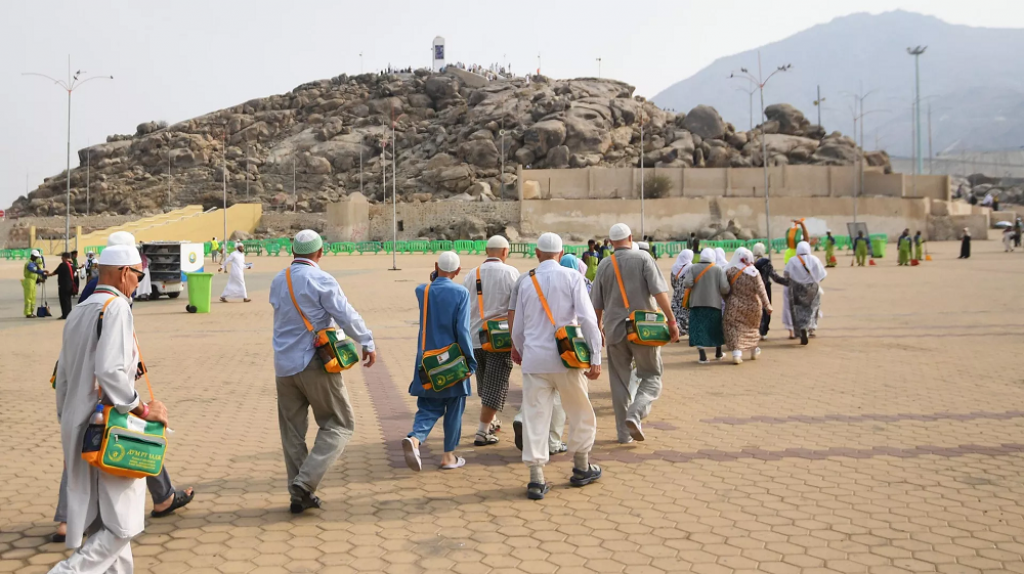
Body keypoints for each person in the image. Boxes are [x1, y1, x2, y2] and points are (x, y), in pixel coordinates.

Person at [49, 239, 170, 574]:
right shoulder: (116, 308)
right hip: (109, 428)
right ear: (121, 274)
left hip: (79, 424)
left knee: (105, 523)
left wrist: (66, 421)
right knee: (122, 526)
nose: (138, 281)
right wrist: (142, 409)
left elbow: (63, 378)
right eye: (136, 275)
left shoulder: (79, 310)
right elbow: (110, 371)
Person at [270, 230, 376, 513]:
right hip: (315, 362)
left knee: (292, 432)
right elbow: (345, 313)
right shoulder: (320, 278)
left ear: (293, 252)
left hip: (283, 366)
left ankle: (298, 493)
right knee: (340, 423)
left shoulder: (279, 279)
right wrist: (366, 340)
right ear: (319, 253)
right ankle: (305, 483)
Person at [512, 232, 603, 500]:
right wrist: (595, 355)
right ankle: (581, 467)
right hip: (568, 359)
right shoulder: (573, 277)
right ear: (561, 254)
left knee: (535, 417)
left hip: (535, 361)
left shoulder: (525, 282)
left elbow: (517, 328)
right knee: (580, 411)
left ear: (537, 254)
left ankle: (536, 479)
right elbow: (587, 319)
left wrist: (521, 350)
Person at [591, 223, 678, 443]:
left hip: (614, 329)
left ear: (610, 243)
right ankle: (636, 413)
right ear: (630, 238)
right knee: (651, 375)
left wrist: (597, 329)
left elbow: (596, 305)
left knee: (619, 382)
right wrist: (671, 320)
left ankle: (623, 434)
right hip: (644, 329)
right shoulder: (644, 259)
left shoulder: (603, 265)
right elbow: (659, 292)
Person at [402, 252, 476, 472]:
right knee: (455, 406)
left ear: (436, 266)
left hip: (427, 361)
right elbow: (462, 330)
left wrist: (435, 275)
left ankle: (415, 439)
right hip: (452, 361)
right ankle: (448, 457)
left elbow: (431, 285)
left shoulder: (421, 291)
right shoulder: (461, 293)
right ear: (458, 271)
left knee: (428, 406)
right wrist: (470, 360)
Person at [461, 236, 519, 447]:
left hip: (474, 337)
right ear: (505, 251)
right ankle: (482, 431)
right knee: (496, 384)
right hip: (499, 339)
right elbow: (518, 305)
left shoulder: (471, 274)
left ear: (487, 250)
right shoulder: (511, 273)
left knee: (485, 383)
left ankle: (491, 421)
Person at [724, 248, 772, 364]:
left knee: (733, 328)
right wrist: (767, 305)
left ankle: (737, 353)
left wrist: (726, 299)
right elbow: (762, 291)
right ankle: (754, 350)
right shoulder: (755, 273)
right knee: (752, 329)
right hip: (753, 307)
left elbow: (724, 289)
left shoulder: (730, 271)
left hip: (735, 305)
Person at [683, 248, 730, 363]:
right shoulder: (718, 269)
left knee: (699, 330)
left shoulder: (693, 268)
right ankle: (718, 353)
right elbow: (725, 288)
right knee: (715, 328)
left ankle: (702, 356)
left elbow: (687, 283)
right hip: (714, 303)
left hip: (697, 303)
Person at [783, 241, 827, 345]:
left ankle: (801, 328)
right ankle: (810, 328)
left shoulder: (792, 261)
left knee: (798, 309)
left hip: (797, 288)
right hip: (812, 288)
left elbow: (786, 275)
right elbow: (822, 275)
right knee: (812, 308)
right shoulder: (815, 260)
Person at [752, 243, 787, 340]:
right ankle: (763, 331)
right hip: (765, 288)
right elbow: (775, 277)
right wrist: (788, 282)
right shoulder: (765, 262)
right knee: (766, 309)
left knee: (754, 309)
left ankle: (754, 330)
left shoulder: (749, 261)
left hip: (752, 289)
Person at [669, 249, 694, 337]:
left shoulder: (674, 267)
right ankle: (680, 332)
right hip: (686, 296)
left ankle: (674, 332)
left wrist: (677, 290)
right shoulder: (691, 268)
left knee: (676, 315)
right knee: (686, 316)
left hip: (676, 296)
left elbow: (672, 282)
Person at [51, 252, 77, 319]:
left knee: (63, 301)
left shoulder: (63, 265)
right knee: (68, 300)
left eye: (62, 257)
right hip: (70, 285)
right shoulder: (72, 265)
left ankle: (65, 315)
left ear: (65, 257)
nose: (61, 259)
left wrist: (47, 275)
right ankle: (69, 314)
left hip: (63, 285)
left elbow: (55, 272)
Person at [22, 250, 47, 318]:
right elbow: (32, 270)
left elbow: (35, 273)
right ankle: (28, 312)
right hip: (29, 281)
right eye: (35, 257)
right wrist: (42, 272)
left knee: (33, 297)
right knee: (29, 297)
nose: (36, 258)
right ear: (32, 256)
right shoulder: (29, 263)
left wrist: (40, 279)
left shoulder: (34, 263)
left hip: (33, 281)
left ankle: (31, 312)